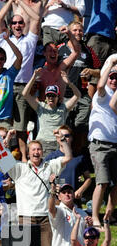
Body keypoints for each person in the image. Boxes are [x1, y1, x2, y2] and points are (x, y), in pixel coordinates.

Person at [8, 137, 73, 246]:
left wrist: (63, 141)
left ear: (42, 152)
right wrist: (6, 141)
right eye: (33, 150)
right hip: (26, 215)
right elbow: (2, 158)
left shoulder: (49, 166)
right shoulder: (20, 168)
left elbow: (68, 157)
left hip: (45, 215)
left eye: (39, 149)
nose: (36, 152)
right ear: (28, 153)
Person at [0, 0, 43, 160]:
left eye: (20, 22)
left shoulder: (30, 40)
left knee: (21, 126)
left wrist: (21, 4)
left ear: (24, 24)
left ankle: (23, 158)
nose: (17, 25)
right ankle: (2, 159)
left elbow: (36, 19)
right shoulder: (2, 40)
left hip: (23, 87)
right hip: (5, 86)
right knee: (2, 124)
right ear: (10, 25)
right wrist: (10, 1)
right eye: (14, 22)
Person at [57, 20, 101, 154]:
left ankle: (76, 160)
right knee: (64, 129)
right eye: (75, 30)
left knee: (80, 129)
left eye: (80, 30)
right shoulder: (59, 48)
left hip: (82, 96)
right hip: (64, 96)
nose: (78, 33)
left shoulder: (88, 50)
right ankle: (64, 158)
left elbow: (100, 71)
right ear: (69, 31)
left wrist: (91, 71)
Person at [88, 56, 117, 228]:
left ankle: (109, 215)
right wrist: (111, 64)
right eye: (111, 77)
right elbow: (99, 85)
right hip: (100, 144)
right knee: (102, 182)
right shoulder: (102, 94)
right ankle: (95, 217)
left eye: (116, 78)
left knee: (115, 185)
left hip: (115, 143)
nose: (113, 80)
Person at [23, 69, 81, 155]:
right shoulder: (40, 107)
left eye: (53, 95)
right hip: (43, 143)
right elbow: (25, 94)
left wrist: (69, 82)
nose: (51, 98)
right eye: (48, 95)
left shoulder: (64, 108)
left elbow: (78, 95)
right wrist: (34, 77)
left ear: (58, 97)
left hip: (59, 143)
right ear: (46, 97)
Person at [48, 179, 90, 246]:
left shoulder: (82, 213)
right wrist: (53, 191)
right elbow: (51, 209)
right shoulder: (59, 210)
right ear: (59, 196)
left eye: (69, 192)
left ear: (73, 194)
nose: (67, 194)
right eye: (64, 192)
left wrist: (90, 225)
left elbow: (88, 237)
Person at [44, 124, 93, 205]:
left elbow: (88, 178)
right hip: (56, 200)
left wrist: (80, 190)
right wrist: (52, 188)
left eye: (66, 136)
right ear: (57, 139)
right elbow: (43, 177)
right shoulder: (51, 157)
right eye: (61, 136)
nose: (64, 138)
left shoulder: (79, 157)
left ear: (71, 138)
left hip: (74, 200)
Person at [36, 26, 79, 102]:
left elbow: (76, 51)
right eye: (50, 50)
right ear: (44, 53)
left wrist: (69, 34)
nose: (53, 53)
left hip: (60, 110)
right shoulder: (39, 72)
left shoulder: (61, 68)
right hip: (43, 110)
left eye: (55, 51)